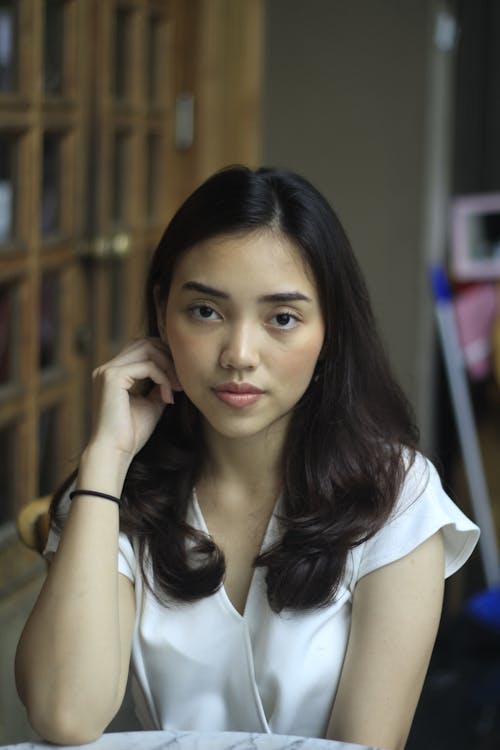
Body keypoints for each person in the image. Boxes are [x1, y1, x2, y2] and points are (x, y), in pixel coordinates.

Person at [15, 166, 479, 749]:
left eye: (281, 318)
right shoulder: (120, 489)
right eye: (206, 311)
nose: (239, 355)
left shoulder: (395, 494)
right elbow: (64, 715)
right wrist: (105, 459)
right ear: (162, 312)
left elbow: (364, 747)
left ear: (329, 330)